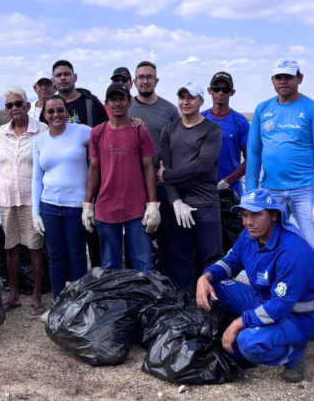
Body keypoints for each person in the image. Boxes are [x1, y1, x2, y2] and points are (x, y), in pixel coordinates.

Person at [196, 188, 314, 383]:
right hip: (264, 299)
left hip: (295, 314)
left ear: (274, 215)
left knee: (247, 343)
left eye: (256, 215)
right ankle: (257, 334)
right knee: (214, 287)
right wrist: (205, 277)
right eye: (245, 215)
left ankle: (295, 354)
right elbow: (230, 262)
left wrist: (238, 323)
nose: (248, 222)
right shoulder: (248, 236)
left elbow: (281, 305)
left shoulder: (292, 249)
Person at [246, 58, 314, 256]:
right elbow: (253, 153)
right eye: (278, 77)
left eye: (288, 77)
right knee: (267, 244)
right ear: (272, 80)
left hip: (305, 189)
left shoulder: (313, 109)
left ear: (299, 78)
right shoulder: (262, 109)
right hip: (271, 190)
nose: (283, 81)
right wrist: (250, 193)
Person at [83, 83, 160, 272]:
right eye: (113, 99)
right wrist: (87, 204)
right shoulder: (98, 132)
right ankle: (115, 302)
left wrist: (152, 204)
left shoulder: (139, 130)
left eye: (121, 99)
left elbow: (148, 166)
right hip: (106, 208)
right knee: (110, 265)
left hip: (136, 208)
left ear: (129, 101)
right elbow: (94, 169)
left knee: (143, 264)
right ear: (106, 103)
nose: (117, 103)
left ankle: (145, 301)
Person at [156, 83, 222, 294]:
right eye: (181, 97)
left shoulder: (212, 130)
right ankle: (183, 305)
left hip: (205, 204)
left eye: (191, 98)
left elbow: (202, 166)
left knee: (211, 257)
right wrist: (175, 200)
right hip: (177, 206)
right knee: (178, 256)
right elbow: (165, 164)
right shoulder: (169, 129)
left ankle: (213, 305)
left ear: (201, 100)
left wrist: (166, 176)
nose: (185, 102)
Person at [0, 87, 47, 314]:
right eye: (9, 105)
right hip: (6, 196)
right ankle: (13, 295)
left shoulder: (41, 130)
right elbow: (2, 164)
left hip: (31, 196)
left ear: (26, 105)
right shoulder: (2, 131)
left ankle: (36, 295)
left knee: (35, 247)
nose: (14, 108)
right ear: (5, 110)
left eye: (18, 103)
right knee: (11, 246)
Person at [32, 93, 92, 298]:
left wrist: (133, 121)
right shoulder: (39, 141)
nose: (56, 114)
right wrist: (35, 212)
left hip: (76, 206)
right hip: (49, 206)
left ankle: (79, 302)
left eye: (60, 110)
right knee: (56, 256)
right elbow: (36, 178)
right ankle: (59, 301)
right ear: (44, 114)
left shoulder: (83, 132)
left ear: (67, 112)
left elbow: (109, 133)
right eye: (51, 111)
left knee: (77, 255)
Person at [201, 70, 249, 248]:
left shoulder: (240, 122)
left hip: (231, 192)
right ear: (209, 91)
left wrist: (228, 182)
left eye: (225, 89)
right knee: (206, 242)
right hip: (204, 192)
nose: (220, 93)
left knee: (232, 242)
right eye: (216, 88)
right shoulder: (201, 119)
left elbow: (250, 159)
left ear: (232, 92)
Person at [44, 60, 107, 126]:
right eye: (58, 75)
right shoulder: (48, 107)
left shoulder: (92, 102)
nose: (62, 78)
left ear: (75, 77)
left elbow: (105, 130)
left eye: (67, 74)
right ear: (53, 81)